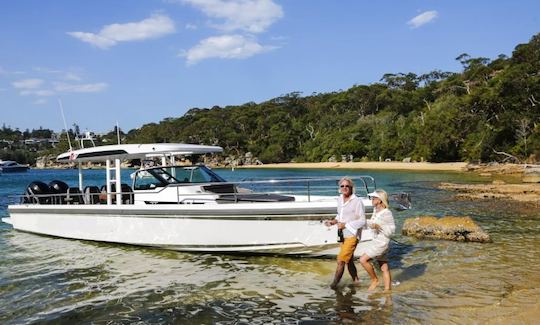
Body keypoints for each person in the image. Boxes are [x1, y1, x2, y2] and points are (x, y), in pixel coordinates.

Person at [325, 177, 366, 289]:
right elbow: (340, 215)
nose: (344, 188)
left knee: (341, 260)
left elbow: (362, 221)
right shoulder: (340, 199)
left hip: (352, 235)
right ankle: (356, 281)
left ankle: (334, 285)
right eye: (342, 186)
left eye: (347, 186)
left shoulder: (357, 201)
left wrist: (345, 225)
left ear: (351, 188)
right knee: (349, 260)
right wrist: (333, 222)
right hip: (342, 235)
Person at [359, 189, 396, 292]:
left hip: (382, 243)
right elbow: (373, 223)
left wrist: (380, 226)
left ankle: (375, 280)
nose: (371, 199)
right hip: (377, 240)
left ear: (380, 200)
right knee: (384, 267)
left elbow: (392, 230)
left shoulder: (386, 213)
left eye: (374, 198)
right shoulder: (376, 210)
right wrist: (368, 223)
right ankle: (387, 290)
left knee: (363, 260)